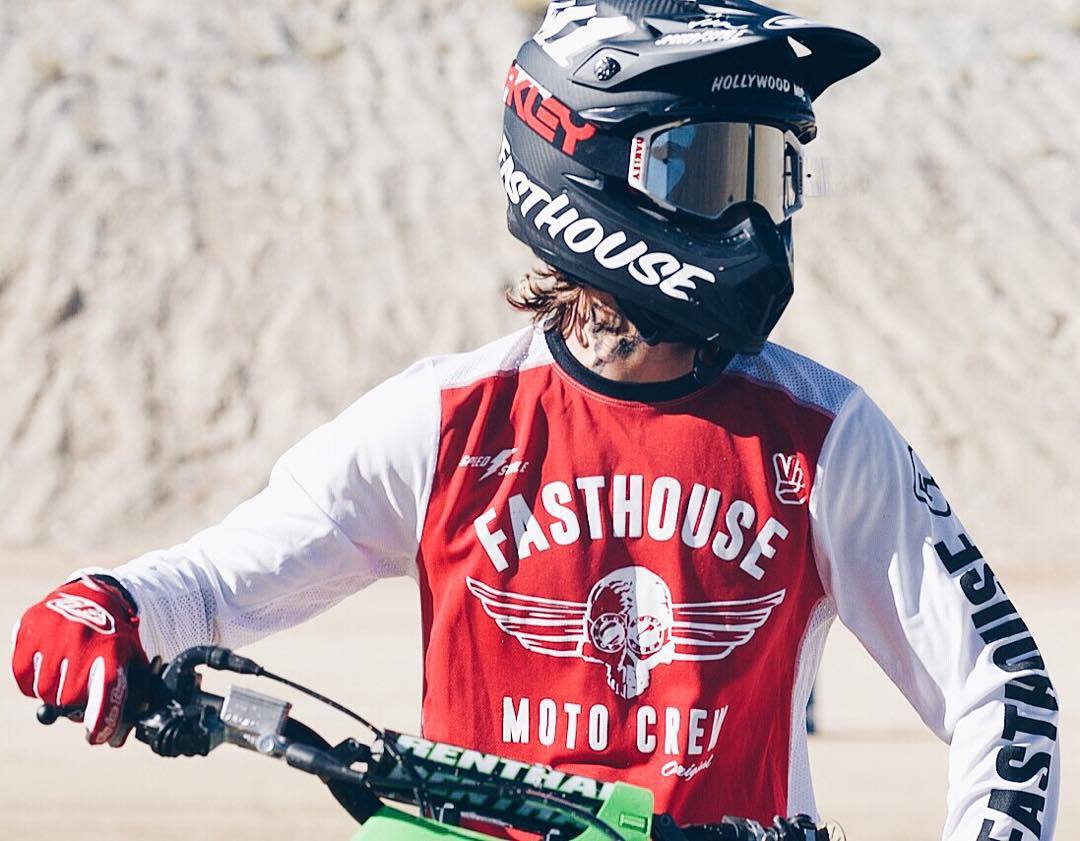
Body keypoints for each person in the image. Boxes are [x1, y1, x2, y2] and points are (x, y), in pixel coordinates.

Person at [10, 2, 1060, 839]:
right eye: (712, 170)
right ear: (581, 159)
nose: (752, 218)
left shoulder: (823, 435)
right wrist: (110, 605)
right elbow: (218, 583)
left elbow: (1002, 689)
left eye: (771, 173)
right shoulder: (445, 422)